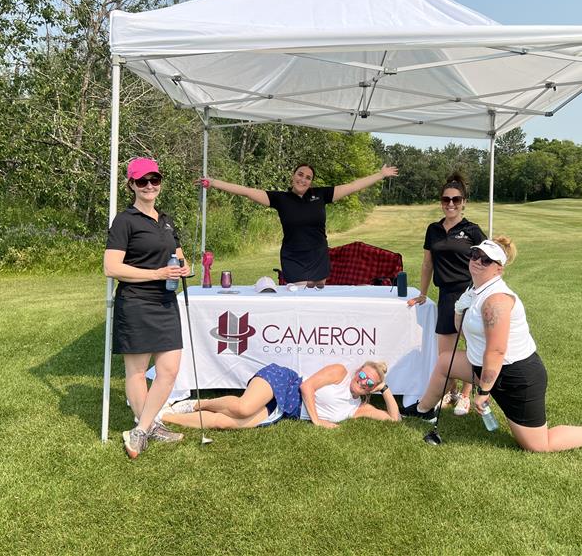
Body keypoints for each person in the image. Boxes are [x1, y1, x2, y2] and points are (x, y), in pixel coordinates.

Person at [404, 236, 582, 452]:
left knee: (537, 445)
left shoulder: (495, 300)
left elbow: (497, 351)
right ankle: (423, 410)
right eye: (475, 255)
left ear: (499, 269)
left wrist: (484, 391)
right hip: (484, 366)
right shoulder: (475, 290)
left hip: (515, 376)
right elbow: (466, 333)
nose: (478, 261)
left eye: (486, 260)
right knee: (445, 362)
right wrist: (459, 310)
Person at [104, 157, 191, 459]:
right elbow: (111, 267)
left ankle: (143, 428)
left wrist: (184, 268)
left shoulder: (165, 220)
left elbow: (180, 257)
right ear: (131, 185)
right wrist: (157, 274)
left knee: (169, 369)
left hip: (166, 301)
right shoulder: (124, 221)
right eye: (142, 181)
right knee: (138, 371)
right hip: (137, 303)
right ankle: (146, 427)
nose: (150, 186)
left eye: (154, 180)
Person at [199, 163, 398, 284]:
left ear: (311, 182)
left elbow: (353, 186)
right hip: (293, 259)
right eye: (300, 174)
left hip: (319, 257)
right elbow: (246, 191)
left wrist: (381, 174)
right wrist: (214, 182)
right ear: (293, 176)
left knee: (317, 301)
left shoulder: (320, 195)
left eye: (308, 177)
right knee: (301, 300)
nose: (303, 179)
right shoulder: (280, 198)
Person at [411, 173, 486, 416]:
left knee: (472, 346)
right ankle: (450, 391)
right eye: (446, 199)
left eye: (456, 199)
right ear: (441, 201)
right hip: (445, 295)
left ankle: (465, 396)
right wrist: (423, 293)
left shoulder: (472, 231)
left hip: (468, 295)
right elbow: (427, 264)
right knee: (446, 352)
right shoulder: (433, 229)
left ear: (464, 202)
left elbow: (487, 262)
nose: (450, 204)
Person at [160, 361, 401, 430]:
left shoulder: (359, 409)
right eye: (362, 375)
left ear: (373, 388)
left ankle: (164, 417)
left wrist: (386, 390)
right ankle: (195, 405)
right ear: (357, 370)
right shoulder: (339, 373)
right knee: (243, 408)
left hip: (287, 410)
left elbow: (395, 420)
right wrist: (317, 421)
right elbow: (307, 387)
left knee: (225, 422)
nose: (362, 381)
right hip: (285, 382)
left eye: (370, 382)